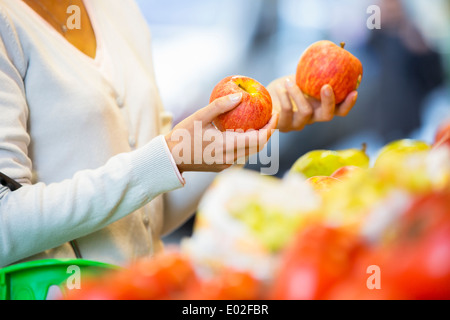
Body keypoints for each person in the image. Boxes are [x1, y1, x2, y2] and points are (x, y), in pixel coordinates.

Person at [0, 0, 357, 268]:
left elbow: (149, 211)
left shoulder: (117, 10)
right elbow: (5, 225)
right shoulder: (8, 22)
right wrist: (168, 157)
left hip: (150, 285)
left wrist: (266, 120)